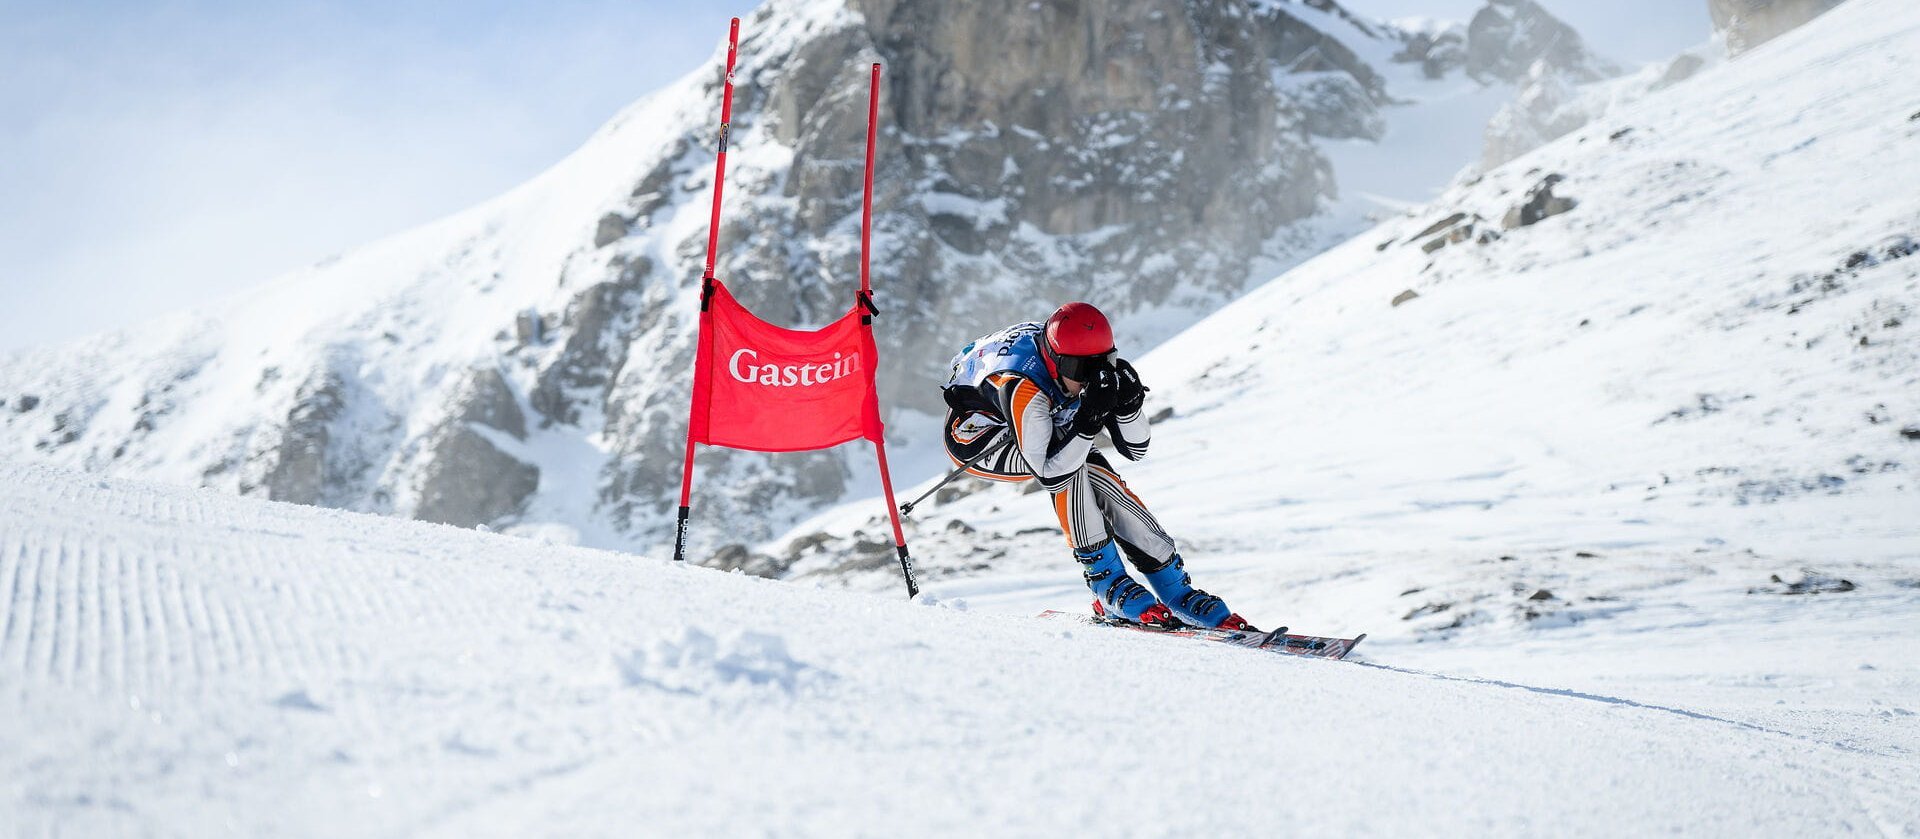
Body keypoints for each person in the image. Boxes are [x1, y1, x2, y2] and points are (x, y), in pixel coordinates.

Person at [940, 302, 1255, 630]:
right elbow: (1050, 472)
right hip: (978, 437)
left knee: (1091, 468)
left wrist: (1129, 407)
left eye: (1103, 364)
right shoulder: (1022, 385)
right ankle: (1106, 583)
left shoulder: (1085, 363)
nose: (1092, 377)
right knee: (1071, 465)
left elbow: (1136, 449)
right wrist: (1088, 421)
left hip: (1042, 419)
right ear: (1056, 361)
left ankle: (1175, 589)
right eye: (1080, 369)